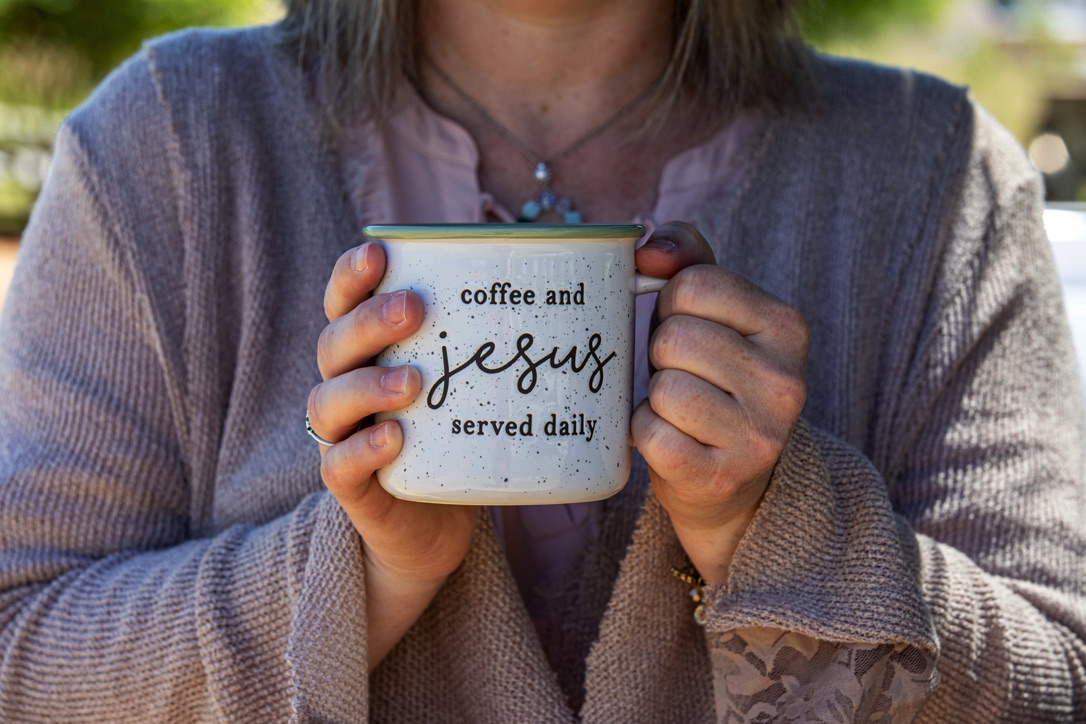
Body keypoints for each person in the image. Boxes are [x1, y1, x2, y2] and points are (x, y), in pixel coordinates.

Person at [0, 0, 1083, 721]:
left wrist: (782, 526)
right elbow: (21, 655)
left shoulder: (936, 175)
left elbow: (1060, 681)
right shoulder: (172, 143)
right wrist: (357, 575)